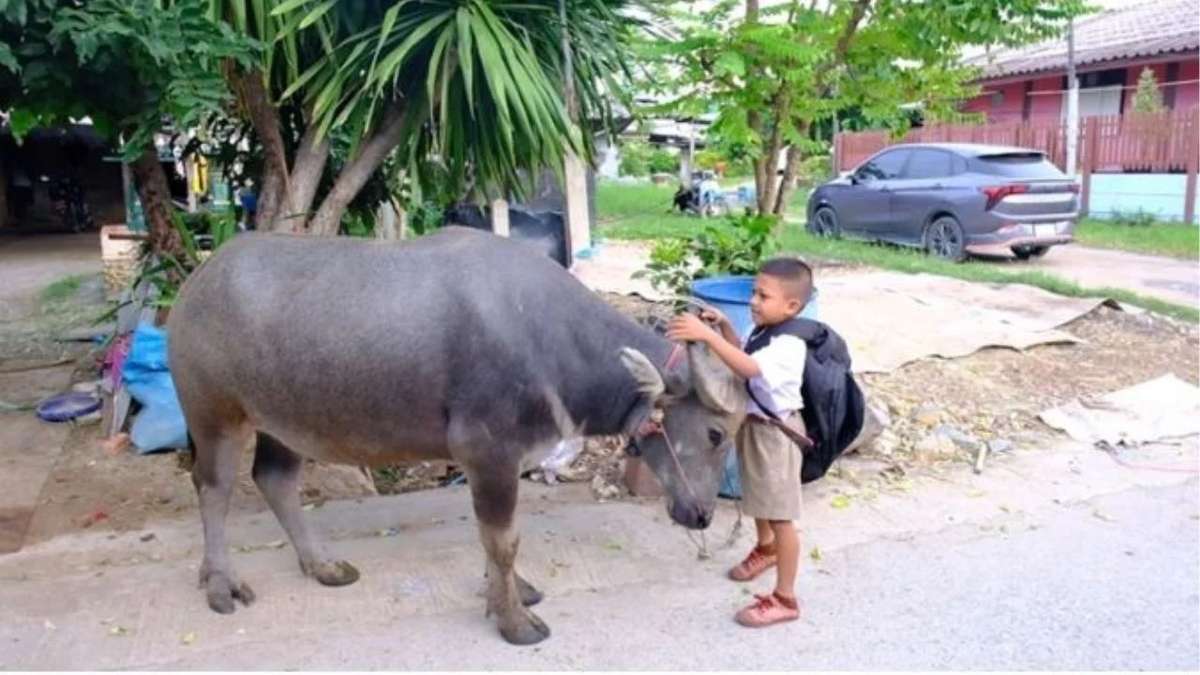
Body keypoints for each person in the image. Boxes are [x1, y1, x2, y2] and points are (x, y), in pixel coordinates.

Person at [666, 257, 814, 628]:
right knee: (758, 497)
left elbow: (750, 369)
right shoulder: (766, 331)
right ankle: (765, 550)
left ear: (791, 306)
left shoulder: (790, 344)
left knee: (782, 516)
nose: (753, 300)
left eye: (762, 295)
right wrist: (727, 327)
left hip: (777, 436)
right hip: (755, 426)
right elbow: (744, 356)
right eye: (753, 292)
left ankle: (786, 598)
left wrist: (707, 336)